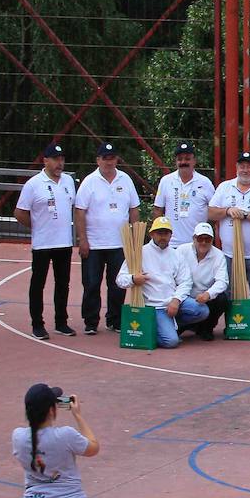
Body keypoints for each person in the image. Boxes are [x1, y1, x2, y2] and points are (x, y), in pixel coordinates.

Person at [73, 142, 140, 335]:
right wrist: (83, 240)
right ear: (98, 160)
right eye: (105, 158)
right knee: (92, 283)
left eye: (112, 158)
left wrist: (134, 239)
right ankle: (91, 321)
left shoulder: (125, 179)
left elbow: (134, 209)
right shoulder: (89, 181)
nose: (109, 162)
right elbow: (80, 212)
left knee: (118, 284)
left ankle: (115, 320)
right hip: (94, 244)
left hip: (120, 243)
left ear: (116, 159)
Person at [207, 151, 250, 335]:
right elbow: (211, 212)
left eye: (249, 166)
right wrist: (228, 210)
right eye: (242, 166)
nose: (246, 169)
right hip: (229, 252)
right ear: (237, 168)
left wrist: (246, 214)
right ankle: (234, 321)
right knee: (229, 289)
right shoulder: (224, 187)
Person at [16, 143, 78, 340]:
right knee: (38, 284)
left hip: (64, 242)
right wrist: (36, 226)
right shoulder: (34, 184)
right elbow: (19, 213)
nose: (59, 163)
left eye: (61, 159)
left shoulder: (68, 181)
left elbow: (75, 206)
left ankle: (61, 322)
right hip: (42, 243)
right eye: (55, 159)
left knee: (63, 284)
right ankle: (37, 324)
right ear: (45, 161)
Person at [115, 216, 206, 348]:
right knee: (171, 342)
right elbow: (120, 279)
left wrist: (176, 300)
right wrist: (133, 279)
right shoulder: (139, 253)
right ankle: (153, 330)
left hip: (171, 302)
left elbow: (185, 282)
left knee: (201, 310)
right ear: (151, 234)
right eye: (159, 233)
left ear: (171, 235)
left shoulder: (176, 255)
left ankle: (169, 325)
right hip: (153, 307)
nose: (163, 237)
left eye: (166, 233)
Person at [151, 142, 215, 248]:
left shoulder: (205, 183)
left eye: (187, 159)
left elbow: (214, 211)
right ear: (175, 161)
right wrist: (157, 237)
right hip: (171, 244)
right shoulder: (166, 181)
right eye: (180, 159)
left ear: (194, 161)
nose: (183, 162)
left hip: (197, 244)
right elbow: (158, 210)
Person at [177, 222, 229, 341]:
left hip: (205, 296)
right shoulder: (181, 250)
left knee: (222, 299)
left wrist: (208, 294)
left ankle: (207, 328)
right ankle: (184, 325)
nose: (204, 242)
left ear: (212, 240)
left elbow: (222, 281)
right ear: (194, 238)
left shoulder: (219, 255)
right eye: (200, 238)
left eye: (208, 239)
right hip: (184, 295)